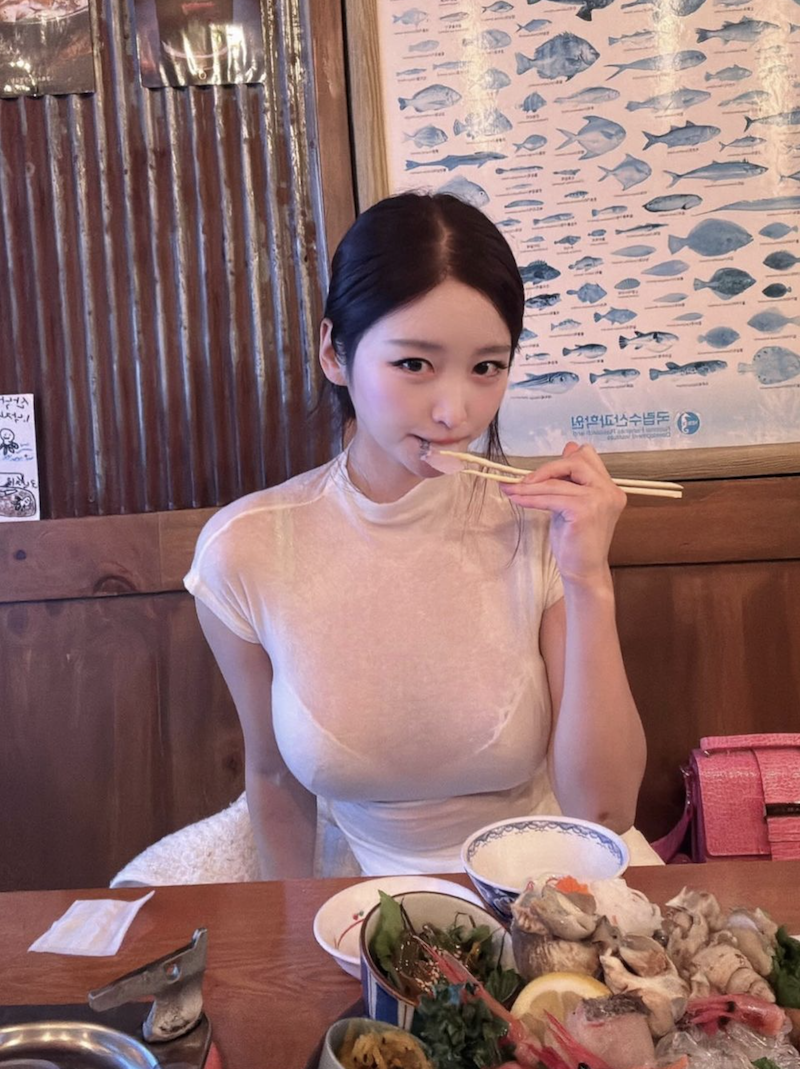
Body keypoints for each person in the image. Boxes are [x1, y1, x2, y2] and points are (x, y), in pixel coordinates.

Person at [184, 191, 656, 879]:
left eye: (487, 367)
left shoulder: (539, 524)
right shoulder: (245, 549)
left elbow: (604, 812)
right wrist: (294, 924)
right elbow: (273, 775)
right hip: (365, 899)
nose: (455, 412)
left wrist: (589, 578)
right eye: (414, 364)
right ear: (335, 353)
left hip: (551, 882)